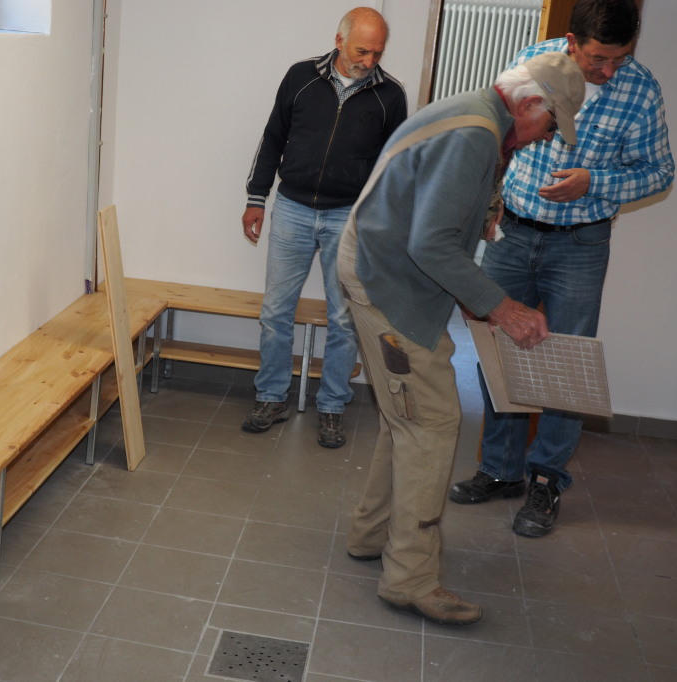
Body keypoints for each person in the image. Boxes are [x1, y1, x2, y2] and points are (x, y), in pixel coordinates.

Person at [338, 53, 586, 625]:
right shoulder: (475, 134)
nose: (544, 137)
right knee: (431, 422)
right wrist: (502, 307)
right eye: (550, 125)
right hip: (386, 278)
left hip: (379, 266)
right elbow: (431, 245)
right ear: (529, 104)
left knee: (406, 415)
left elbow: (430, 220)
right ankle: (410, 579)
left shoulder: (474, 113)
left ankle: (371, 535)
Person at [450, 0, 675, 538]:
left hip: (580, 243)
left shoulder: (642, 90)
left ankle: (546, 480)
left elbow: (660, 172)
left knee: (566, 364)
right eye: (598, 59)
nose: (608, 71)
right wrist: (490, 203)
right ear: (572, 43)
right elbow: (498, 134)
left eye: (619, 59)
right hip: (513, 232)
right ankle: (499, 469)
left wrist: (596, 182)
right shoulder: (532, 61)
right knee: (498, 349)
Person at [241, 7, 408, 448]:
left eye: (377, 53)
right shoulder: (300, 77)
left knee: (343, 318)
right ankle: (271, 397)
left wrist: (380, 222)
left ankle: (332, 405)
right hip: (292, 209)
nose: (369, 61)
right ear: (339, 41)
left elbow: (392, 166)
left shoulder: (390, 95)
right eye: (361, 51)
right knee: (276, 312)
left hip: (348, 218)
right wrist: (257, 198)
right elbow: (273, 137)